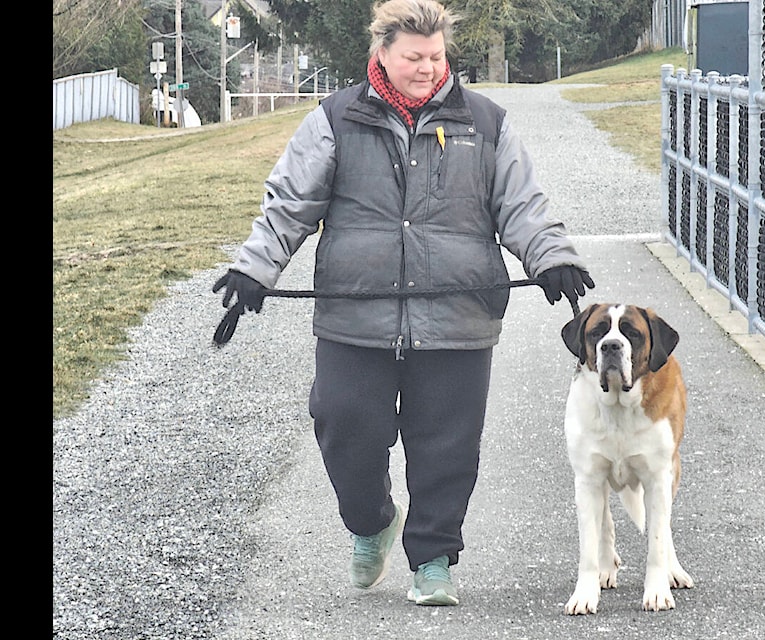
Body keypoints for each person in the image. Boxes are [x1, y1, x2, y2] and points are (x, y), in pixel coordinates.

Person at [213, 0, 594, 607]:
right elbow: (289, 203)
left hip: (457, 312)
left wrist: (550, 257)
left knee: (447, 442)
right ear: (382, 54)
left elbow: (522, 203)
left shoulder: (485, 122)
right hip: (355, 312)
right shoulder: (336, 118)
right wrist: (254, 268)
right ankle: (371, 523)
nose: (426, 68)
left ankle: (434, 560)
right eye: (414, 57)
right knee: (344, 426)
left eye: (436, 57)